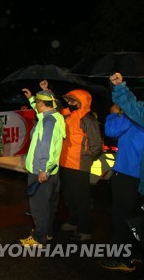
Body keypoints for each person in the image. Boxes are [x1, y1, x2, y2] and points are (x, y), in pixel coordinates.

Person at [98, 104, 144, 272]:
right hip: (140, 175)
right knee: (137, 217)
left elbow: (111, 130)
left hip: (127, 173)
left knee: (121, 217)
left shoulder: (135, 113)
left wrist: (113, 114)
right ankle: (136, 253)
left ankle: (122, 258)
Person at [18, 89, 66, 247]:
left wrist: (43, 169)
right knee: (48, 204)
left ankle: (39, 238)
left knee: (39, 206)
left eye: (37, 102)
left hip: (41, 170)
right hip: (52, 170)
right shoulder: (55, 117)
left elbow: (46, 146)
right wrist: (32, 98)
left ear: (42, 104)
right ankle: (47, 233)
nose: (35, 104)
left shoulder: (47, 121)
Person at [56, 86, 103, 242]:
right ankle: (74, 221)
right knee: (69, 196)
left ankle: (85, 230)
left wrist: (87, 157)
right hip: (65, 162)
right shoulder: (70, 116)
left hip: (78, 164)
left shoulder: (87, 118)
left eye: (72, 101)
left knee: (81, 198)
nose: (69, 103)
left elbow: (96, 143)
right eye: (69, 100)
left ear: (81, 102)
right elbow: (55, 108)